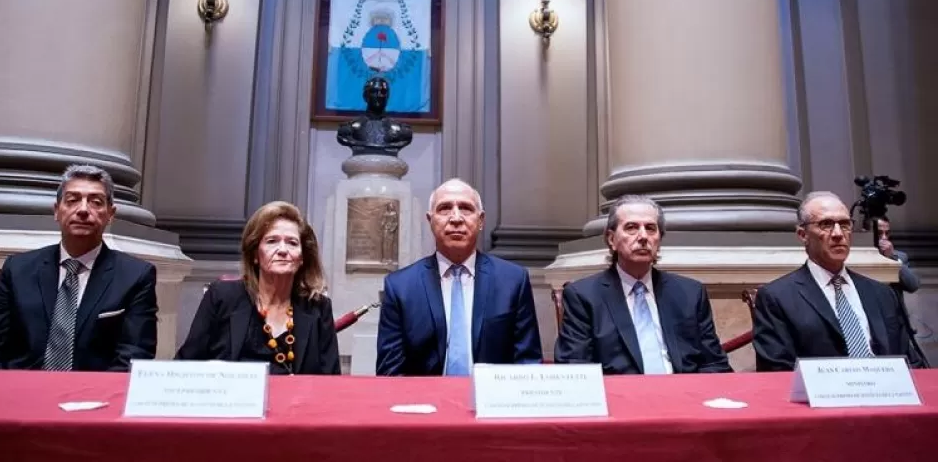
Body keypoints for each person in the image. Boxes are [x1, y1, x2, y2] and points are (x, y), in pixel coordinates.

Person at [0, 164, 158, 371]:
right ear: (57, 210)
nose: (84, 210)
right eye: (72, 200)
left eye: (96, 202)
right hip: (21, 393)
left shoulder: (135, 276)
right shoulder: (18, 270)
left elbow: (133, 359)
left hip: (93, 398)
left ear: (110, 214)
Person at [375, 179, 541, 375]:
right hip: (424, 403)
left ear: (481, 221)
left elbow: (527, 364)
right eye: (445, 208)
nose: (456, 218)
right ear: (430, 220)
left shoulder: (513, 281)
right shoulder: (400, 287)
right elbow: (390, 373)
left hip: (491, 402)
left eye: (465, 208)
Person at [554, 195, 731, 374]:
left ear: (659, 239)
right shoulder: (584, 296)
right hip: (620, 397)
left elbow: (714, 364)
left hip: (683, 394)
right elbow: (575, 369)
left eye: (651, 228)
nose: (643, 236)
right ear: (611, 239)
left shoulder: (690, 293)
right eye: (631, 228)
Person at [752, 191, 926, 371]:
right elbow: (777, 370)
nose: (838, 234)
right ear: (803, 235)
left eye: (844, 224)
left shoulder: (882, 294)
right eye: (826, 224)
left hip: (887, 393)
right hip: (820, 396)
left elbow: (910, 360)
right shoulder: (777, 297)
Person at [176, 201, 340, 374]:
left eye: (292, 242)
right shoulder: (223, 297)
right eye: (272, 241)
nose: (282, 250)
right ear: (255, 254)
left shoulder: (318, 307)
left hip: (297, 401)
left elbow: (331, 381)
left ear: (302, 258)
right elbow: (186, 364)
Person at [875, 216, 920, 294]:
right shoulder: (860, 256)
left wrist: (893, 258)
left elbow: (913, 286)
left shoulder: (900, 256)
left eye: (887, 233)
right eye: (879, 233)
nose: (884, 237)